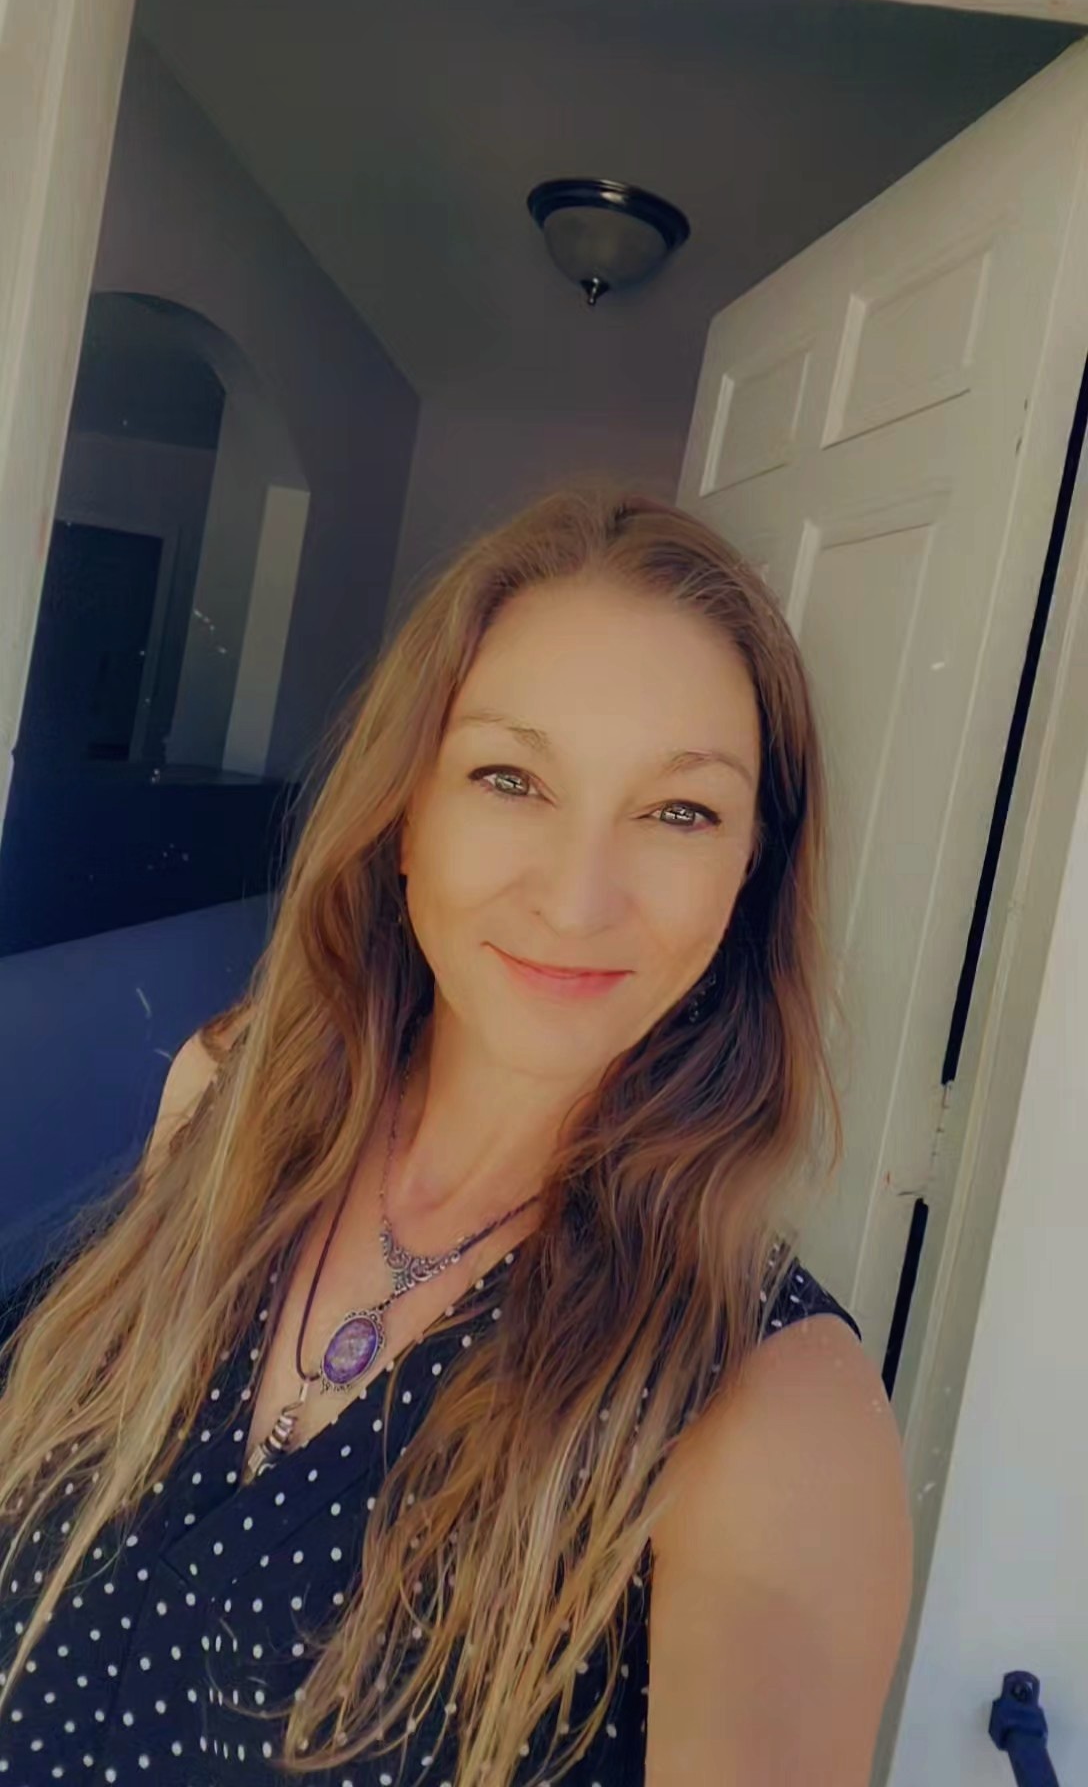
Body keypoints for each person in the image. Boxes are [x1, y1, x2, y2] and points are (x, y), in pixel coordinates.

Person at [0, 487, 912, 1786]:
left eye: (680, 811)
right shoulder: (221, 1105)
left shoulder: (772, 1410)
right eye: (509, 779)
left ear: (751, 870)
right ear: (404, 816)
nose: (577, 899)